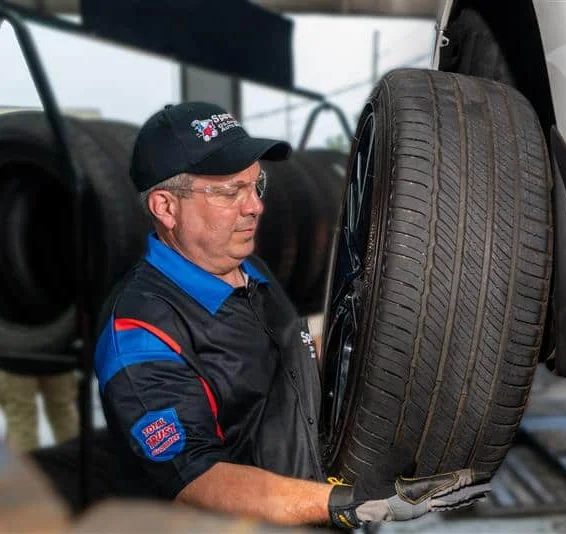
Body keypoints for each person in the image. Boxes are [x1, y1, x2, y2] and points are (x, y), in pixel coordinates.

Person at [94, 102, 490, 529]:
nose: (255, 207)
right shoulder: (138, 331)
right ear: (166, 207)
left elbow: (284, 364)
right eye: (231, 192)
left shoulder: (250, 270)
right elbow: (195, 480)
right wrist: (347, 503)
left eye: (255, 184)